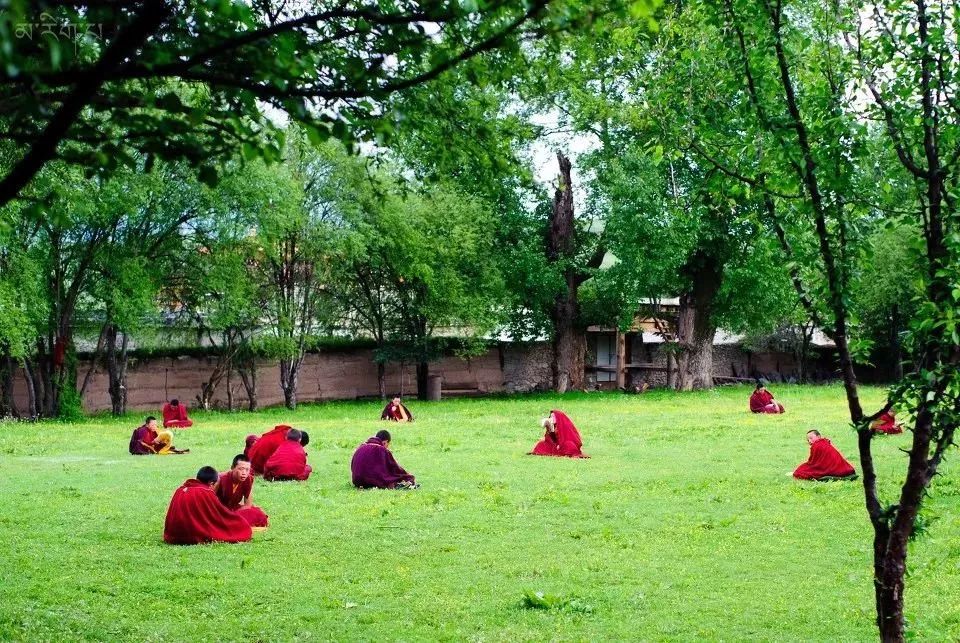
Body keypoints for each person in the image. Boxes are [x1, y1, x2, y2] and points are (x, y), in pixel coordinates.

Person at [163, 466, 253, 545]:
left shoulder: (180, 490)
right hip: (190, 535)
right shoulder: (206, 492)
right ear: (211, 484)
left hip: (172, 535)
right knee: (241, 526)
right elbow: (220, 515)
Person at [351, 429, 417, 489]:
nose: (387, 447)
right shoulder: (381, 449)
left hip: (356, 480)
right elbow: (394, 467)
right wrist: (407, 476)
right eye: (388, 445)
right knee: (395, 477)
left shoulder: (361, 447)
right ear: (385, 442)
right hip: (369, 481)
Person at [215, 454, 269, 528]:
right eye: (241, 469)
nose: (244, 473)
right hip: (219, 510)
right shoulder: (220, 479)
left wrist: (234, 514)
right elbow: (210, 500)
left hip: (234, 509)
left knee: (258, 513)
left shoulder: (249, 479)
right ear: (232, 468)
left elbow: (248, 505)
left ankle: (232, 521)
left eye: (247, 470)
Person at [793, 430, 857, 480]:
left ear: (818, 436)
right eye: (808, 440)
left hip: (831, 468)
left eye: (811, 438)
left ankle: (832, 476)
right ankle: (841, 476)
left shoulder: (816, 445)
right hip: (846, 469)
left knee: (800, 471)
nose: (809, 441)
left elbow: (813, 463)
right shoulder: (825, 442)